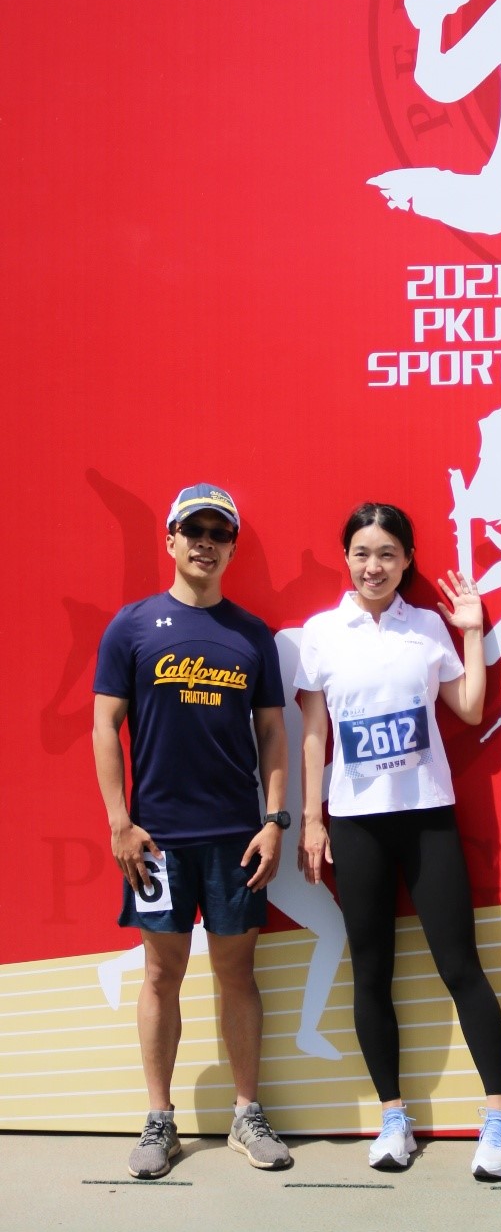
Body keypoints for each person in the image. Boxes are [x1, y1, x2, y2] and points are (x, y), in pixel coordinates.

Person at [295, 502, 501, 1179]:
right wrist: (312, 818)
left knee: (461, 966)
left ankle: (500, 1122)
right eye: (362, 553)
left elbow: (469, 709)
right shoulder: (321, 634)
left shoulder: (425, 627)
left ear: (407, 561)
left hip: (426, 817)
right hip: (355, 823)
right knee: (371, 972)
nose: (374, 567)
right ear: (346, 558)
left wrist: (471, 632)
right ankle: (393, 1119)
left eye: (387, 554)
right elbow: (313, 733)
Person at [92, 482, 292, 1179]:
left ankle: (246, 1114)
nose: (206, 543)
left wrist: (274, 821)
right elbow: (104, 726)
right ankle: (159, 1120)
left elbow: (273, 733)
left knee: (238, 974)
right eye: (194, 530)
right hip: (157, 843)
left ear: (232, 547)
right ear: (171, 539)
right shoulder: (132, 626)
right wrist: (120, 822)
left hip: (237, 838)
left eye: (220, 533)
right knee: (160, 974)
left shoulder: (251, 634)